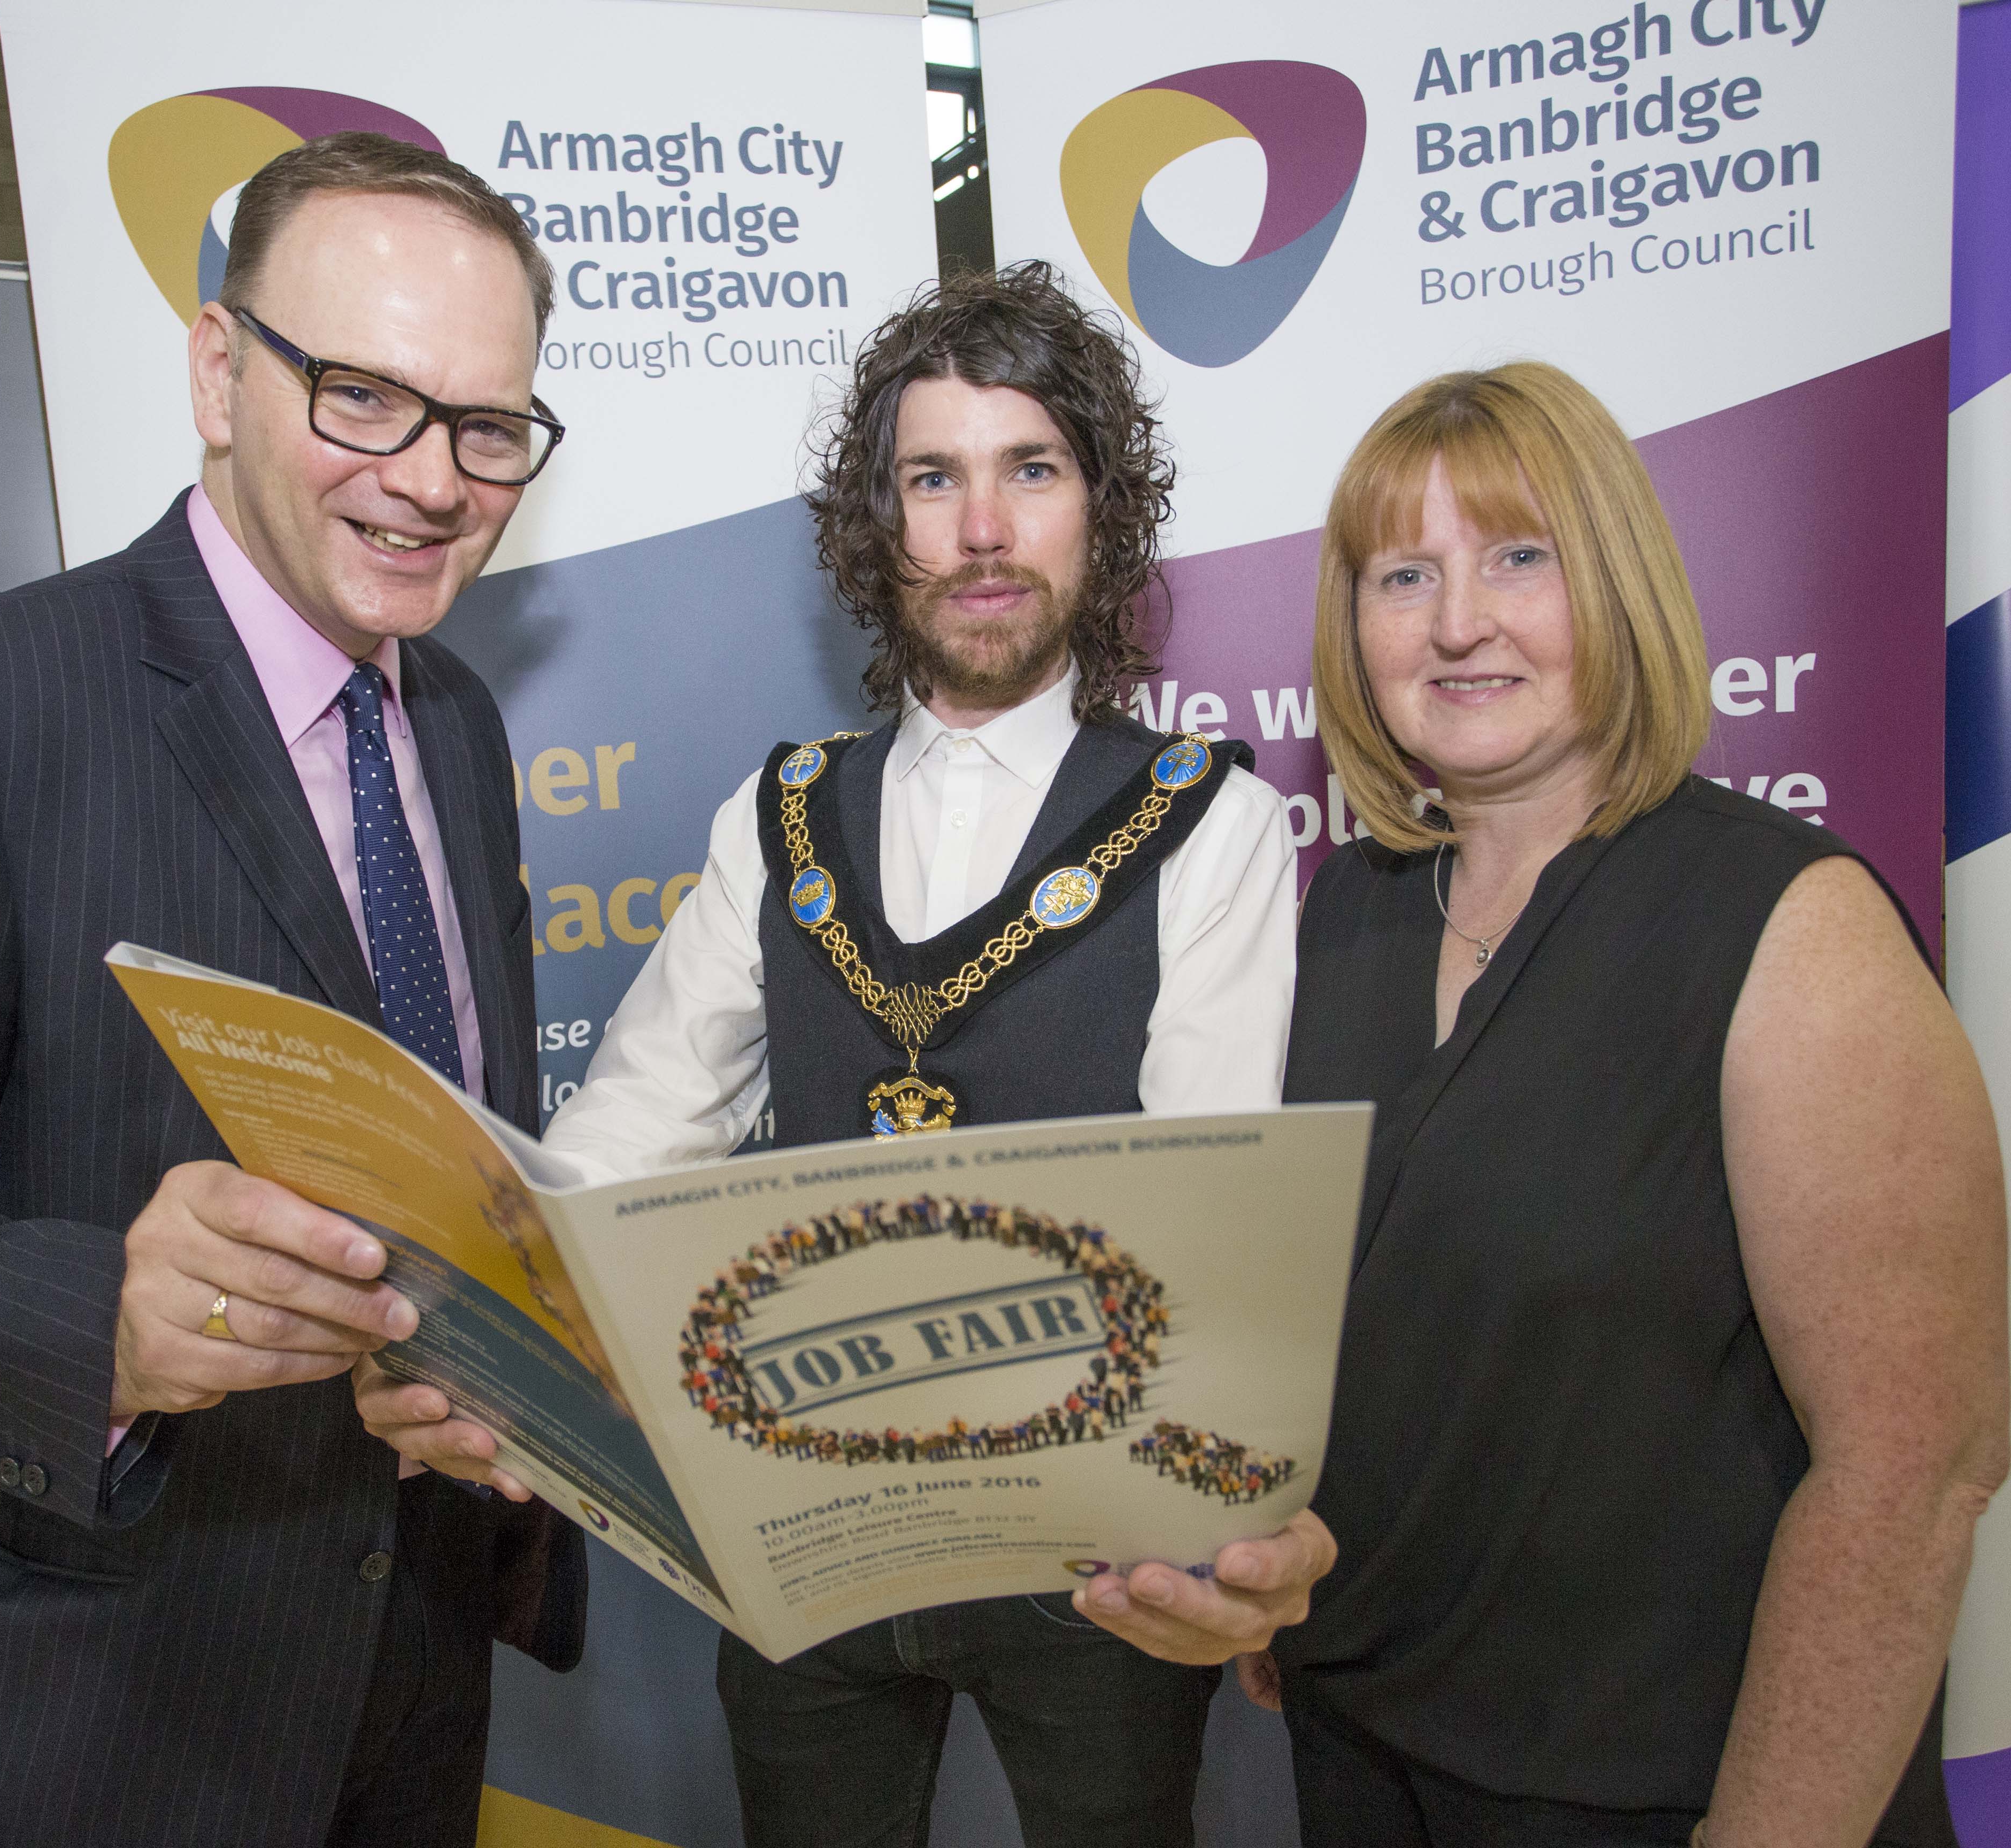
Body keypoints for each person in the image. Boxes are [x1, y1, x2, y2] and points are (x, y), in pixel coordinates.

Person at [0, 135, 585, 1847]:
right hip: (76, 1735)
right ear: (221, 373)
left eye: (488, 427)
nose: (435, 480)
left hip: (412, 1691)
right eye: (364, 397)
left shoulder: (455, 726)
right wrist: (109, 1330)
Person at [361, 260, 1323, 1844]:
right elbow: (625, 1141)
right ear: (881, 528)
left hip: (1097, 1555)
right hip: (811, 1529)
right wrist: (457, 1311)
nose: (986, 529)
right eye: (932, 478)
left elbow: (1207, 1227)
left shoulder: (1210, 822)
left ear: (1100, 508)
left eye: (1032, 470)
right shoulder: (784, 812)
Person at [1270, 361, 2010, 1846]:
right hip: (1360, 1753)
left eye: (1519, 558)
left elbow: (1915, 1470)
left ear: (1614, 584)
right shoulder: (1339, 917)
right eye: (1404, 573)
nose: (1459, 620)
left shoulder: (1788, 926)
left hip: (1675, 1795)